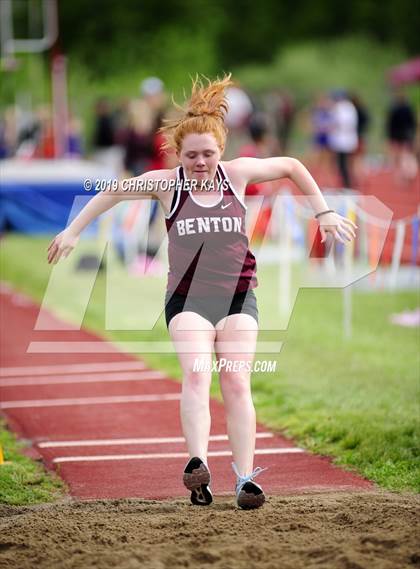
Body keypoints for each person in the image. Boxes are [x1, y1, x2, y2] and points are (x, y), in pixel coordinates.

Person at [47, 74, 357, 510]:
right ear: (178, 154)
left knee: (235, 379)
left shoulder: (237, 174)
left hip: (238, 297)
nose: (200, 163)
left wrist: (323, 211)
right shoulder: (166, 183)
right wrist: (73, 231)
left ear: (221, 151)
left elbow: (291, 166)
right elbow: (113, 192)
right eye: (191, 156)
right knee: (196, 373)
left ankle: (246, 479)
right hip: (187, 301)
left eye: (208, 154)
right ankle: (198, 465)